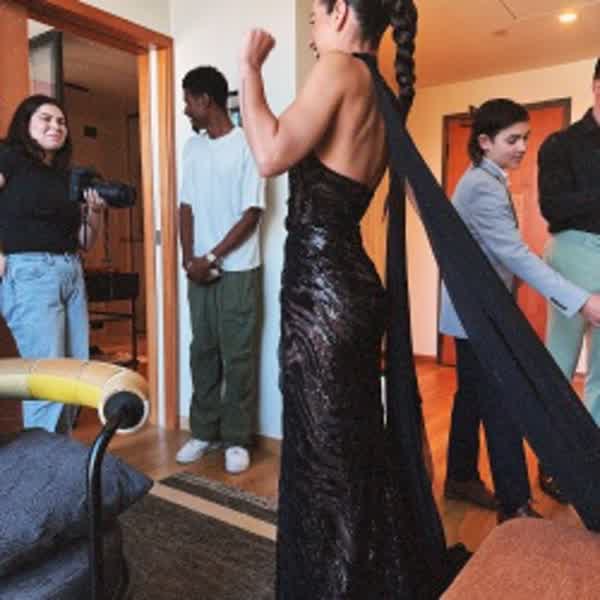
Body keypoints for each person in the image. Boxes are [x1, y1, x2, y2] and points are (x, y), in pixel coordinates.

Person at [239, 1, 473, 598]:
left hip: (321, 291)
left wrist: (250, 71)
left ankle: (335, 586)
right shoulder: (384, 95)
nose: (312, 33)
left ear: (341, 11)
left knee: (323, 456)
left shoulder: (340, 69)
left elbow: (269, 153)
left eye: (316, 17)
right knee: (354, 445)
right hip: (353, 286)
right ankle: (369, 574)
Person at [439, 98, 600, 520]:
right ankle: (515, 506)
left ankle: (459, 477)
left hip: (472, 309)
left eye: (525, 138)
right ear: (485, 142)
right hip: (479, 312)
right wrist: (581, 299)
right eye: (512, 140)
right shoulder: (482, 186)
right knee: (502, 401)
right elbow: (514, 254)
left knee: (471, 396)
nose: (523, 147)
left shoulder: (486, 179)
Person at [176, 66, 265, 475]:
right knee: (203, 352)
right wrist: (188, 260)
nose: (185, 110)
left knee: (238, 357)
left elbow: (252, 213)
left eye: (188, 101)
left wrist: (211, 257)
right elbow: (186, 207)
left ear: (205, 100)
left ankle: (236, 439)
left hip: (238, 269)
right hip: (198, 269)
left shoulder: (248, 145)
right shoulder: (192, 148)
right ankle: (204, 431)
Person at [0, 94, 104, 433]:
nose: (55, 126)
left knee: (74, 373)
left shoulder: (65, 177)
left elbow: (85, 241)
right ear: (25, 123)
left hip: (71, 271)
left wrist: (95, 212)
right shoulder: (8, 157)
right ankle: (40, 460)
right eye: (46, 119)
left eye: (61, 121)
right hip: (31, 272)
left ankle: (59, 454)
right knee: (46, 378)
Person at [538, 59, 600, 428]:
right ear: (597, 86)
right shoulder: (561, 144)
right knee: (560, 360)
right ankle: (554, 450)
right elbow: (553, 206)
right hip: (574, 252)